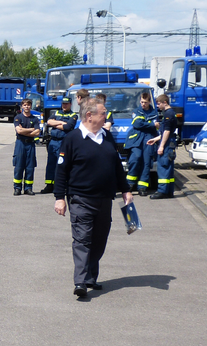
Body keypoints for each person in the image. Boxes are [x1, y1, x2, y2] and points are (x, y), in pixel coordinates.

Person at [53, 97, 133, 298]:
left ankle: (90, 277)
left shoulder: (106, 136)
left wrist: (126, 189)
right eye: (103, 113)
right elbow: (61, 171)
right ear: (90, 115)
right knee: (82, 239)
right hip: (80, 199)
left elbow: (116, 166)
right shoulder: (72, 138)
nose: (106, 116)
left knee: (99, 239)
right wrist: (59, 197)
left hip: (105, 199)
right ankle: (80, 281)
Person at [40, 97, 78, 194]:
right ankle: (49, 185)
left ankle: (61, 186)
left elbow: (68, 127)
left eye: (66, 104)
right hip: (53, 141)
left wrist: (55, 124)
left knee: (62, 164)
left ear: (70, 104)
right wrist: (61, 123)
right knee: (51, 164)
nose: (64, 105)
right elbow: (49, 122)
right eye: (63, 104)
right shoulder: (56, 113)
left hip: (64, 142)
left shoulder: (73, 115)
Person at [124, 92, 159, 196]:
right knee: (135, 158)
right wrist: (152, 124)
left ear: (149, 102)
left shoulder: (154, 113)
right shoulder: (136, 111)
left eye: (145, 102)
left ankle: (142, 187)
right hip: (137, 139)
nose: (143, 104)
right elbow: (137, 124)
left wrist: (150, 125)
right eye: (141, 102)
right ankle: (129, 184)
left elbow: (154, 126)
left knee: (147, 163)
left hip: (149, 138)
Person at [147, 94, 177, 199]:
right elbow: (166, 132)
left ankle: (162, 191)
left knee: (163, 167)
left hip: (167, 145)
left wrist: (161, 146)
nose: (158, 106)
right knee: (168, 168)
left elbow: (167, 131)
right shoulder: (170, 113)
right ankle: (169, 191)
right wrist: (156, 139)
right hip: (170, 143)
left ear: (165, 102)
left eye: (159, 103)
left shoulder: (168, 114)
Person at [13, 98, 41, 195]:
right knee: (19, 166)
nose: (26, 107)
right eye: (25, 105)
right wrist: (31, 130)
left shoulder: (35, 119)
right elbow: (19, 131)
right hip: (20, 144)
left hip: (30, 144)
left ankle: (28, 188)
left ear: (31, 106)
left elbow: (37, 132)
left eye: (28, 105)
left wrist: (25, 131)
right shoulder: (18, 118)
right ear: (22, 106)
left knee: (30, 166)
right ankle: (17, 188)